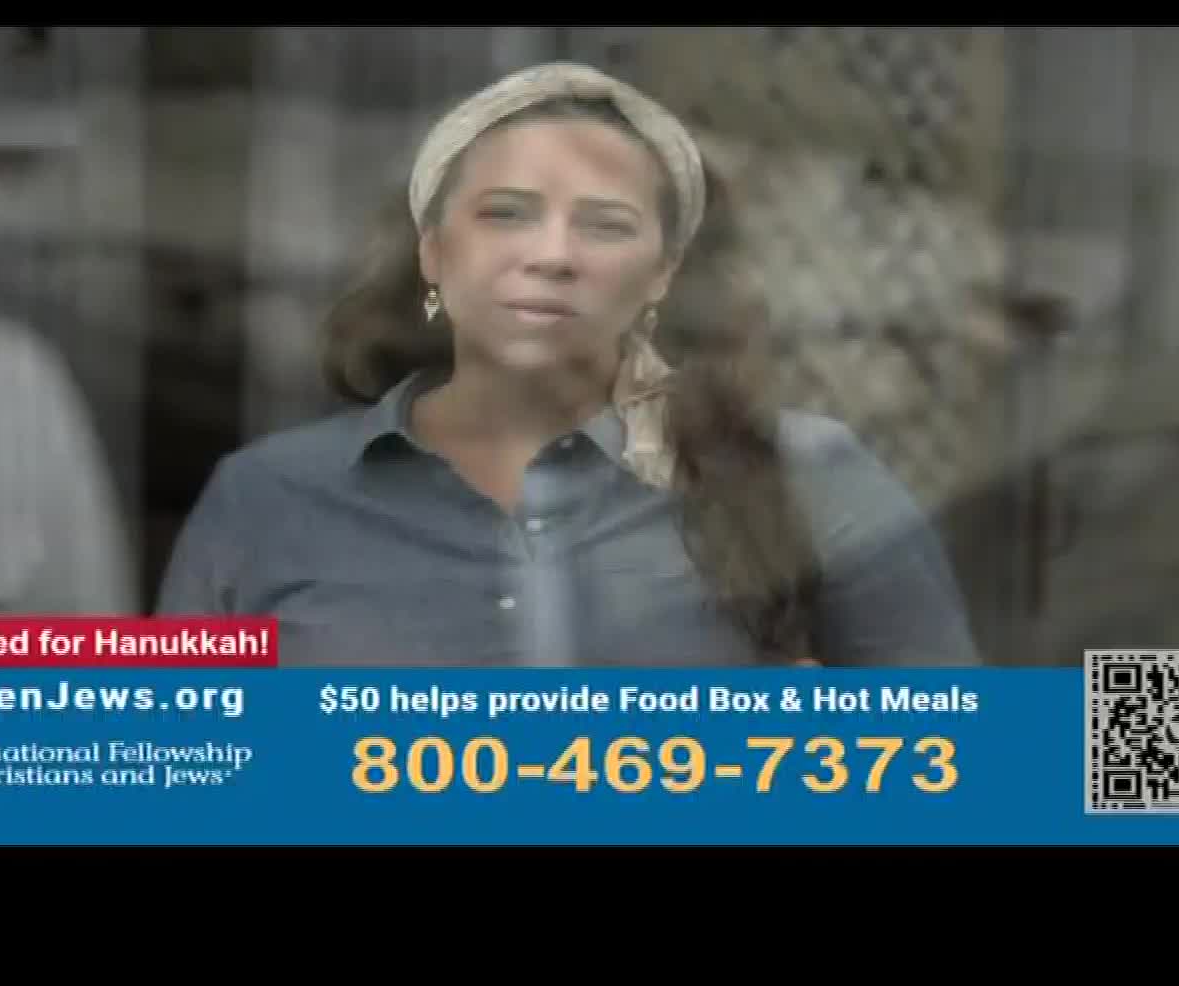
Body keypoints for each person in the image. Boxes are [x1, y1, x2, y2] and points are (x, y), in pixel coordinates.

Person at [157, 61, 977, 667]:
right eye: (506, 214)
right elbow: (183, 794)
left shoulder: (810, 476)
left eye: (605, 224)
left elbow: (960, 774)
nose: (551, 255)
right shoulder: (265, 500)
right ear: (434, 253)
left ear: (664, 273)